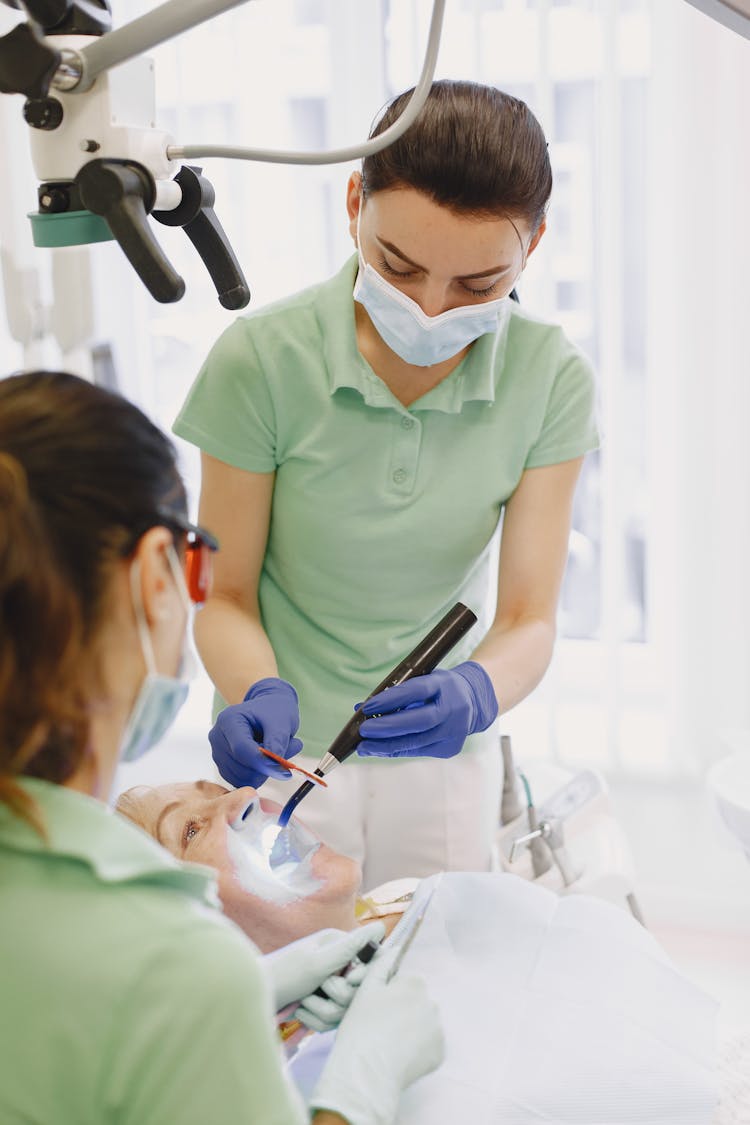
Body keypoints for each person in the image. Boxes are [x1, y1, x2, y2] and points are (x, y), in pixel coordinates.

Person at [173, 79, 599, 887]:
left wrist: (477, 690)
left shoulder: (551, 377)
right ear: (352, 205)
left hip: (441, 759)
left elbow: (528, 617)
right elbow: (223, 595)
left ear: (533, 247)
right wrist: (254, 689)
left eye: (479, 285)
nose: (432, 310)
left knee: (433, 972)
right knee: (287, 975)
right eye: (398, 265)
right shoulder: (262, 361)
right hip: (285, 745)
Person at [0, 370, 443, 1125]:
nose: (239, 794)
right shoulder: (174, 968)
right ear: (154, 576)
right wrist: (359, 1084)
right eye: (192, 827)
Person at [116, 778, 727, 1125]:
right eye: (190, 830)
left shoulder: (420, 896)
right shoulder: (280, 1090)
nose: (242, 796)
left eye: (218, 788)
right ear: (189, 928)